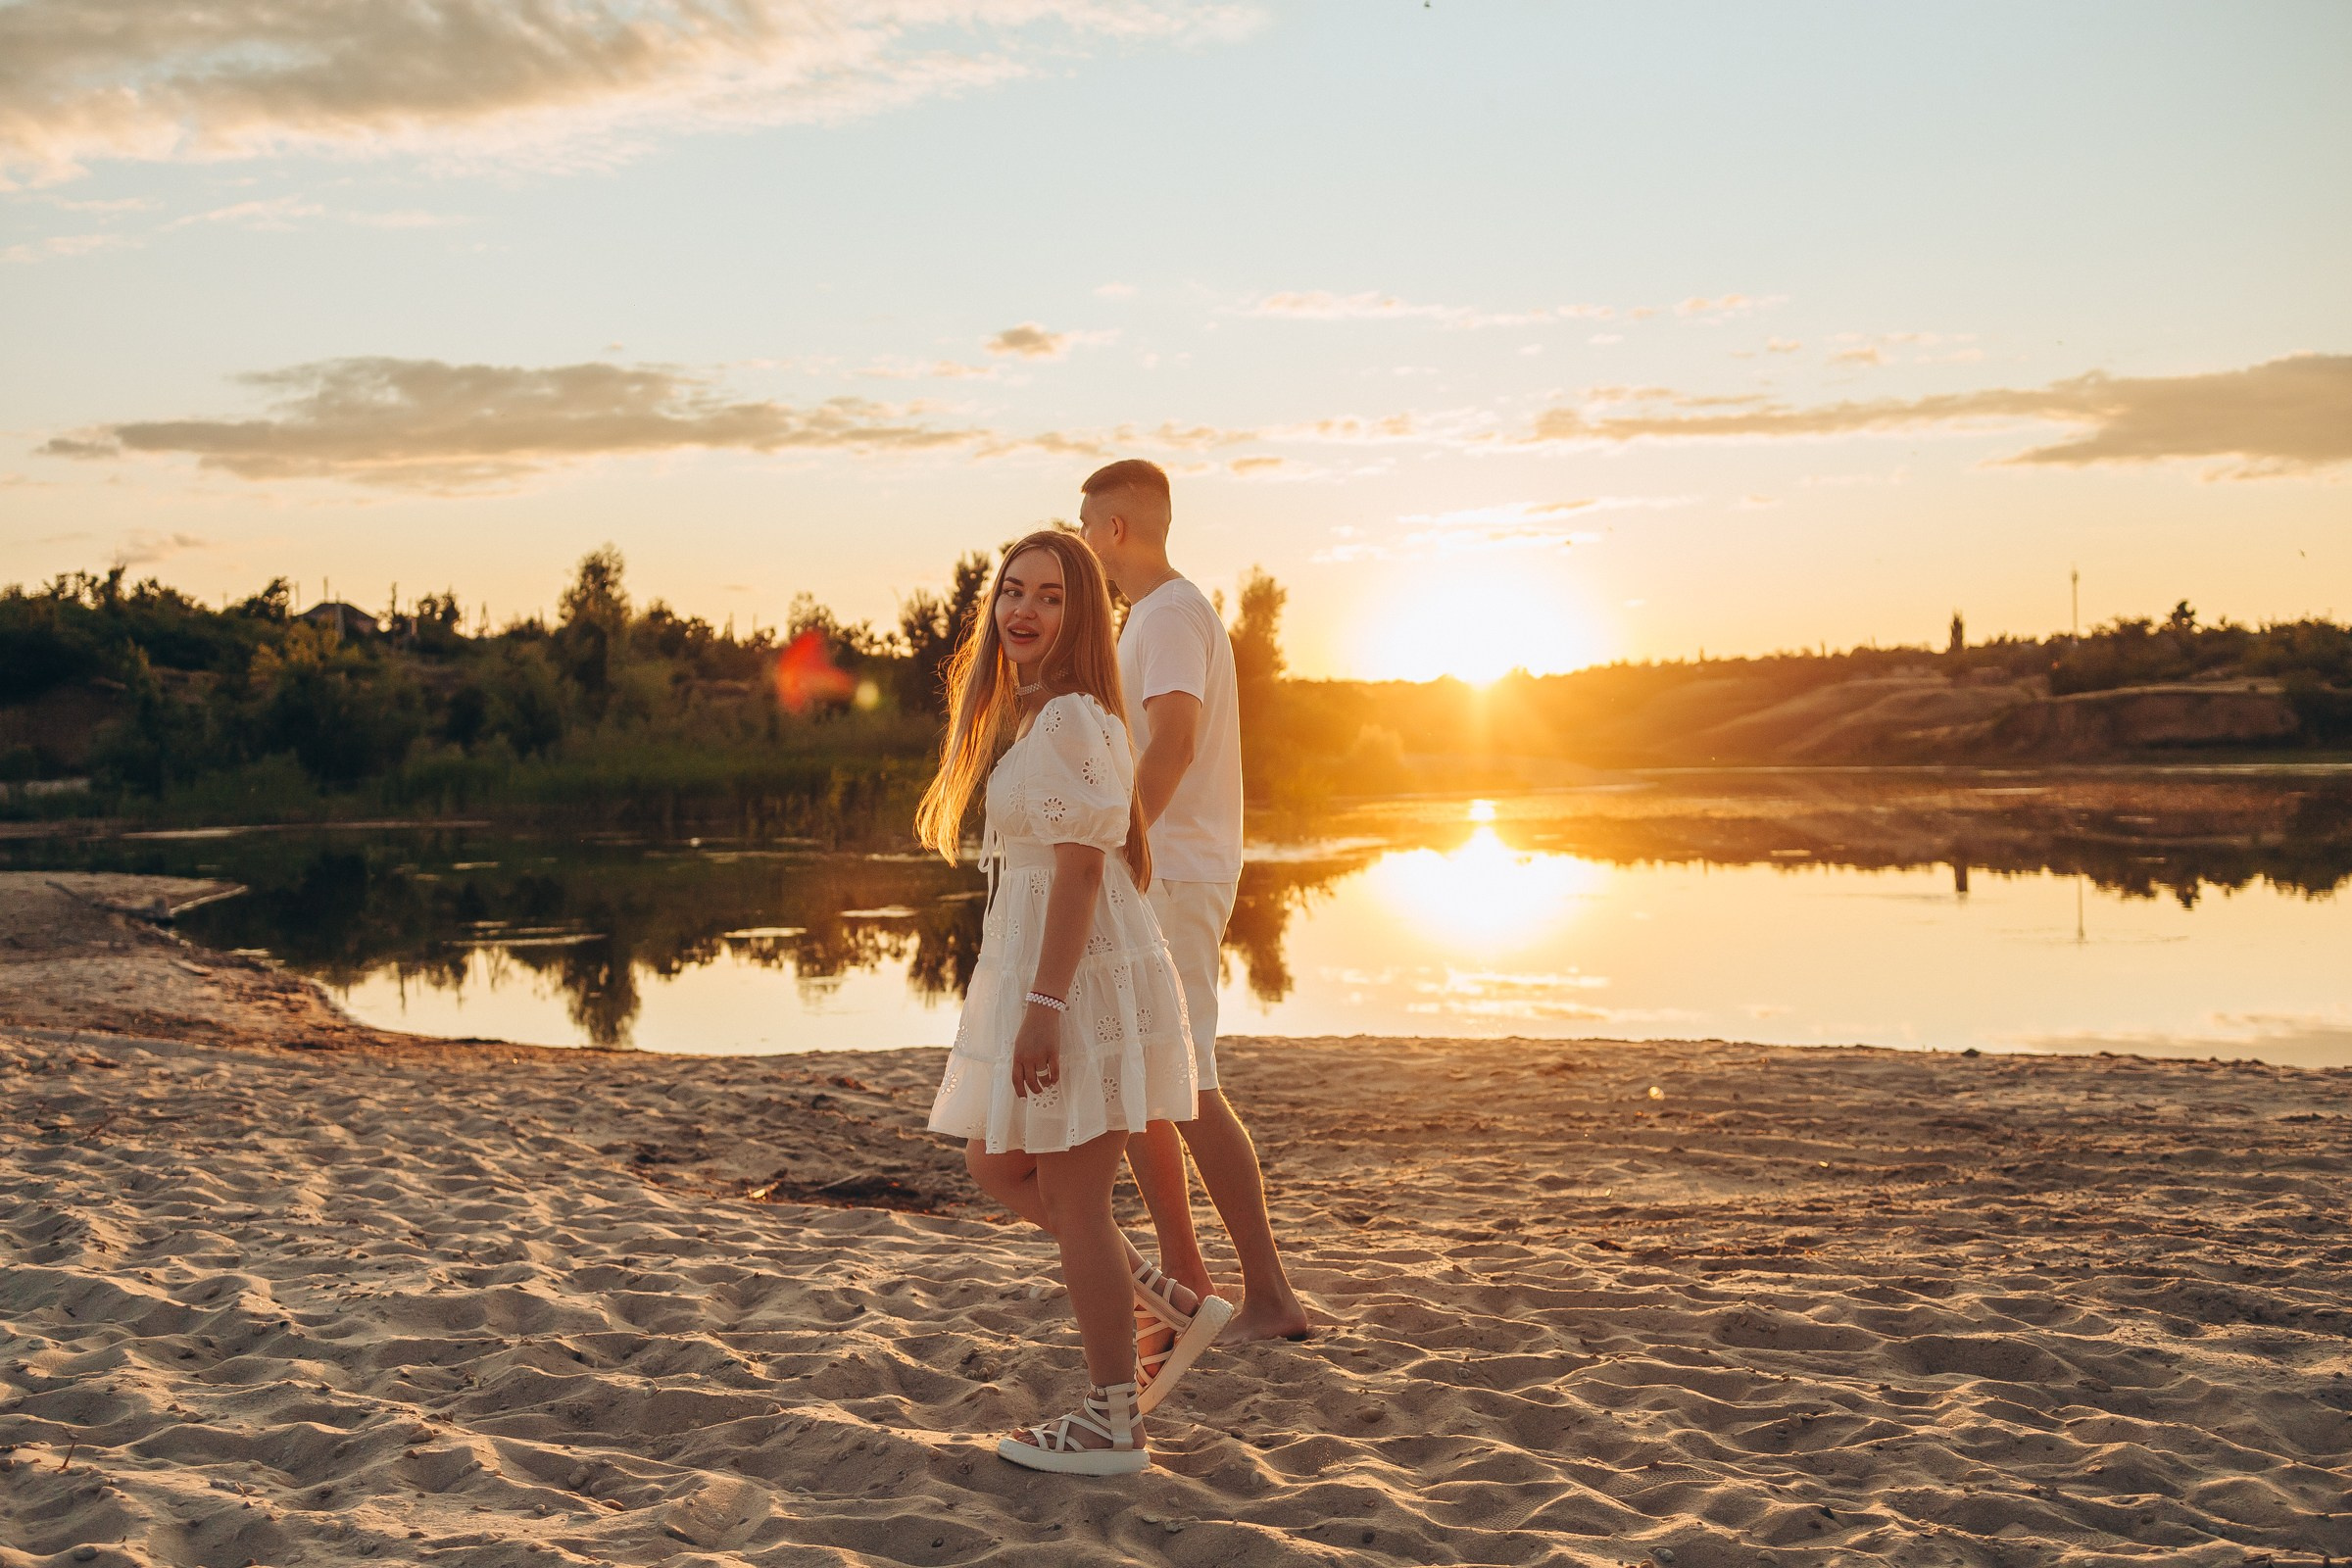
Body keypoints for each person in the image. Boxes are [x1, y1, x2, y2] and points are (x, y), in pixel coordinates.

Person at [919, 528, 1234, 1477]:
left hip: (1081, 973)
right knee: (996, 1163)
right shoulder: (1036, 709)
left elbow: (1085, 867)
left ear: (1084, 613)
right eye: (1013, 591)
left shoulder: (1070, 718)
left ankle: (1112, 1424)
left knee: (1075, 1197)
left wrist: (1047, 1003)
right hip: (1052, 966)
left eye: (1052, 596)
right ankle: (1168, 1303)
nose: (1025, 610)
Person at [1076, 460, 1313, 1345]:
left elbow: (1171, 744)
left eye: (1088, 523)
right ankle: (1191, 1278)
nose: (1085, 541)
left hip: (1169, 872)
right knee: (1146, 1082)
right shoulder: (1153, 617)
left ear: (1118, 529)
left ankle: (1271, 1296)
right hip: (1165, 869)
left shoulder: (1171, 614)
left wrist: (1120, 850)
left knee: (1188, 1083)